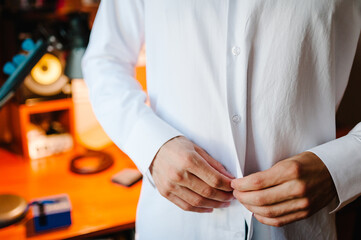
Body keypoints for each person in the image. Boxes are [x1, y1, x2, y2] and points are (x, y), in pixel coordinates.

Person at [82, 1, 361, 239]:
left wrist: (342, 166)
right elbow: (105, 59)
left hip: (300, 228)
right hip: (173, 225)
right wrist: (151, 146)